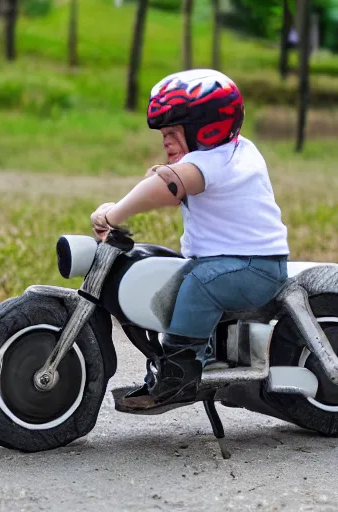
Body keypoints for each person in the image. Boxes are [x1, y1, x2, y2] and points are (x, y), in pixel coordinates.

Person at [91, 69, 289, 409]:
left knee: (198, 284)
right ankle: (201, 353)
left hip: (254, 269)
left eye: (173, 132)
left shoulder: (213, 163)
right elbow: (175, 178)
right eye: (163, 133)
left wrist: (114, 213)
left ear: (206, 128)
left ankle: (179, 376)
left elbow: (169, 188)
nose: (165, 140)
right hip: (235, 263)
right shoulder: (233, 151)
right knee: (170, 271)